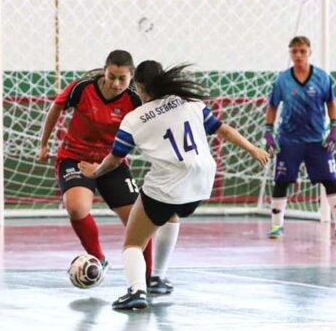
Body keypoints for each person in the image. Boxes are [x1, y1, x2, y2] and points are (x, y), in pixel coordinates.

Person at [79, 62, 269, 310]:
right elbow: (224, 130)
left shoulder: (134, 118)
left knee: (133, 243)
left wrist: (96, 172)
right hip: (201, 183)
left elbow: (115, 159)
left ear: (139, 86)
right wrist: (253, 149)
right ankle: (158, 277)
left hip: (169, 184)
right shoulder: (190, 102)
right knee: (171, 214)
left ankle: (136, 291)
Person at [39, 50, 176, 293]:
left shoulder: (136, 100)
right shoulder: (81, 88)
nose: (115, 83)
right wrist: (44, 143)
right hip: (76, 158)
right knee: (76, 207)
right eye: (111, 76)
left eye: (121, 79)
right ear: (104, 70)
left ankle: (148, 278)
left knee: (139, 221)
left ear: (131, 77)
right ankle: (98, 259)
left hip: (112, 163)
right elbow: (56, 109)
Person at [263, 36, 336, 240]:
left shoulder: (323, 78)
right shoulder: (282, 80)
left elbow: (331, 103)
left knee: (330, 180)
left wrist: (335, 127)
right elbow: (272, 105)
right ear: (290, 53)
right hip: (289, 140)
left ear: (309, 52)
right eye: (294, 51)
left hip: (317, 139)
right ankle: (276, 226)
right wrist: (268, 130)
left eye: (302, 51)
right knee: (282, 181)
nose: (298, 55)